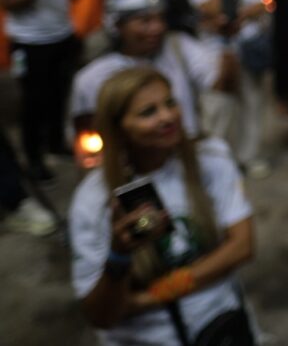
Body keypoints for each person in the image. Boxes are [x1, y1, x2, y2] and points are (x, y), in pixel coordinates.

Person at [69, 67, 255, 345]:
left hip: (222, 325)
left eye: (170, 103)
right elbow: (102, 316)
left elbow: (242, 246)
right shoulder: (92, 200)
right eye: (148, 112)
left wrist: (148, 297)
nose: (168, 117)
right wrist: (119, 255)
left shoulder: (210, 158)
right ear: (119, 128)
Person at [69, 0, 229, 140]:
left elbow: (220, 84)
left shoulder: (177, 47)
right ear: (118, 26)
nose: (157, 28)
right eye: (145, 21)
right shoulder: (92, 78)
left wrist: (226, 38)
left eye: (160, 19)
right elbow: (88, 138)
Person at [0, 0, 80, 182]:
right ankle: (33, 159)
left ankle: (56, 142)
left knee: (59, 95)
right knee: (33, 102)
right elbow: (10, 3)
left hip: (60, 35)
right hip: (29, 41)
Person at [183, 0, 270, 175]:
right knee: (217, 107)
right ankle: (216, 161)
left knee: (251, 102)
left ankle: (248, 156)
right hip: (214, 50)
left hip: (246, 44)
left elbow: (260, 3)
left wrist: (239, 16)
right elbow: (209, 8)